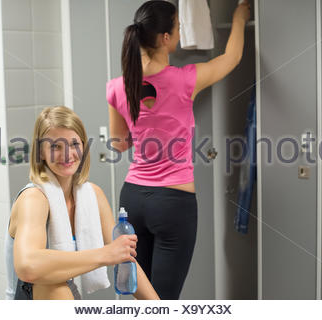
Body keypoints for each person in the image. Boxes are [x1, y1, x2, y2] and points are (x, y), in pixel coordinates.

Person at [106, 0, 250, 299]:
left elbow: (119, 144)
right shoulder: (186, 79)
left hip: (132, 198)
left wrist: (143, 130)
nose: (181, 31)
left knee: (141, 296)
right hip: (173, 202)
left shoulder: (117, 86)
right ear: (165, 38)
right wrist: (239, 17)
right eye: (178, 27)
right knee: (165, 302)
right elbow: (232, 57)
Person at [5, 106, 159, 300]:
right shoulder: (34, 198)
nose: (67, 154)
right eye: (55, 146)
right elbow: (27, 267)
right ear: (41, 153)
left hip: (68, 292)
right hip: (31, 297)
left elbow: (123, 257)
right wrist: (105, 254)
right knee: (54, 286)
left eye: (74, 144)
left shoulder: (93, 195)